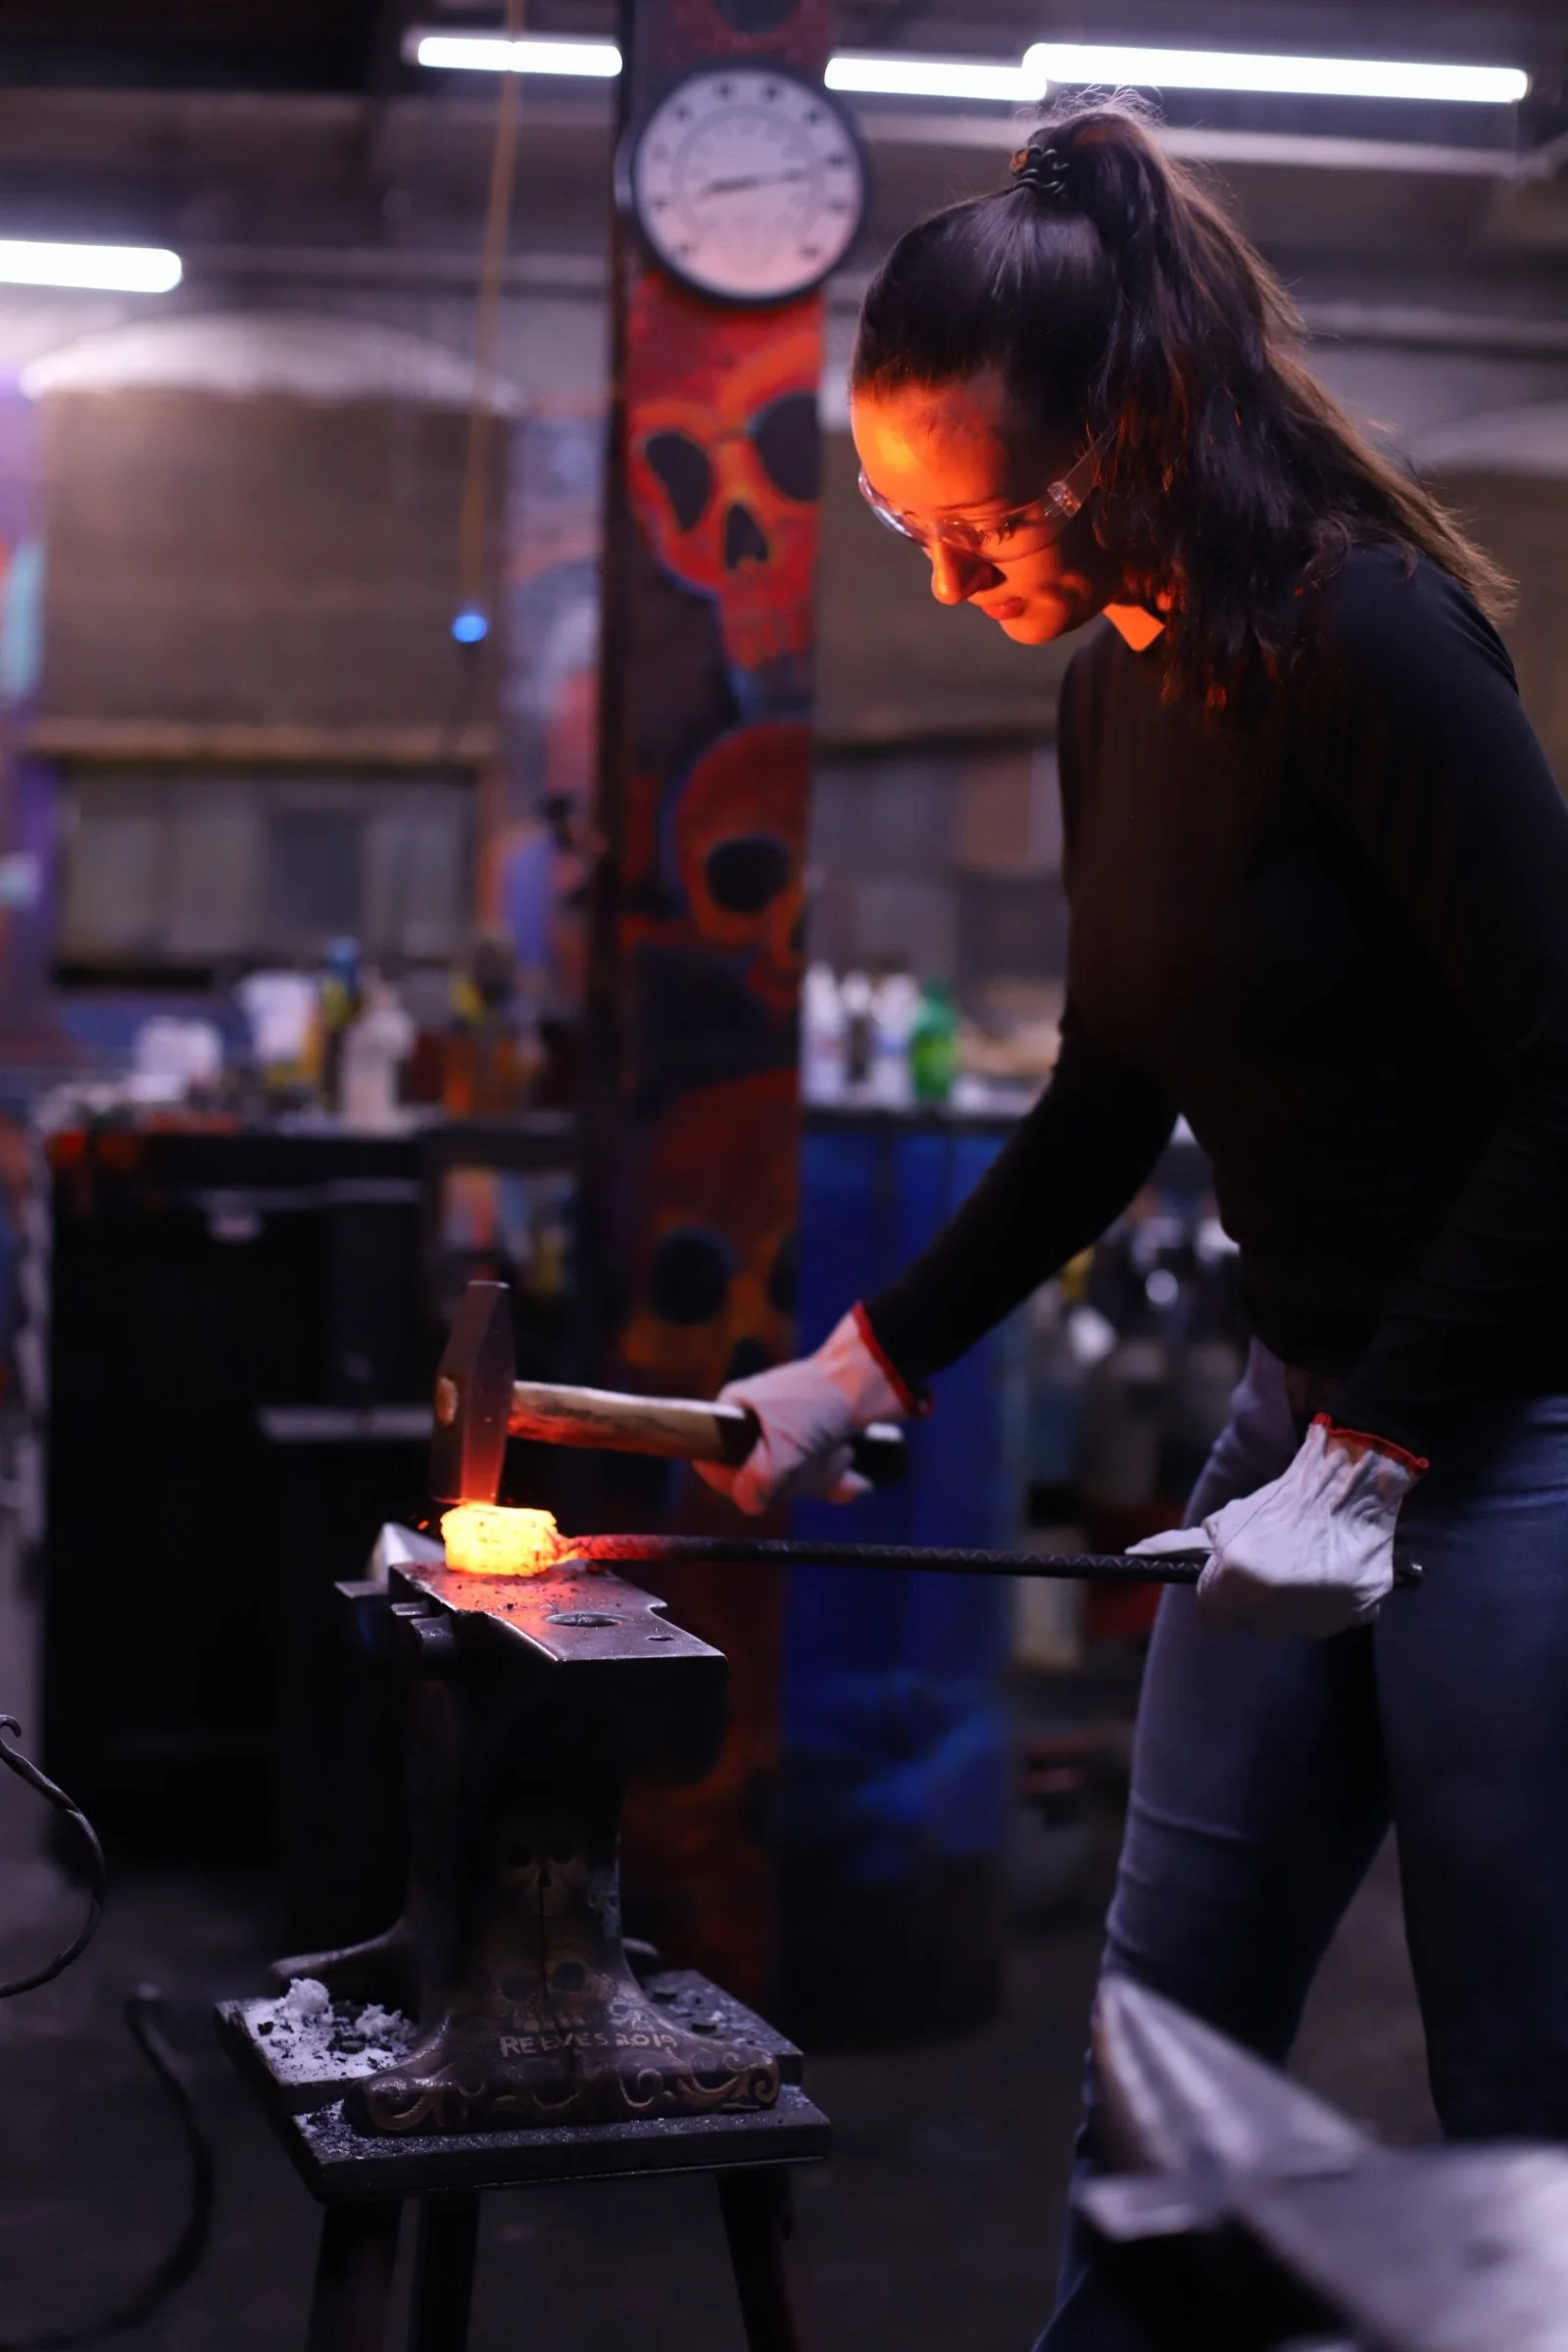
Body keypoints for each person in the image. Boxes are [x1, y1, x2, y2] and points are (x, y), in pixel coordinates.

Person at [696, 92, 1568, 2349]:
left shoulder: (1367, 646)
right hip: (1297, 1423)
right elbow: (1109, 1092)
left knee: (1518, 2108)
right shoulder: (1114, 688)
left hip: (1510, 1448)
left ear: (1133, 429)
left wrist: (1374, 1455)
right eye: (907, 526)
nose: (946, 580)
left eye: (982, 521)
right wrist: (858, 1365)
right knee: (1154, 2080)